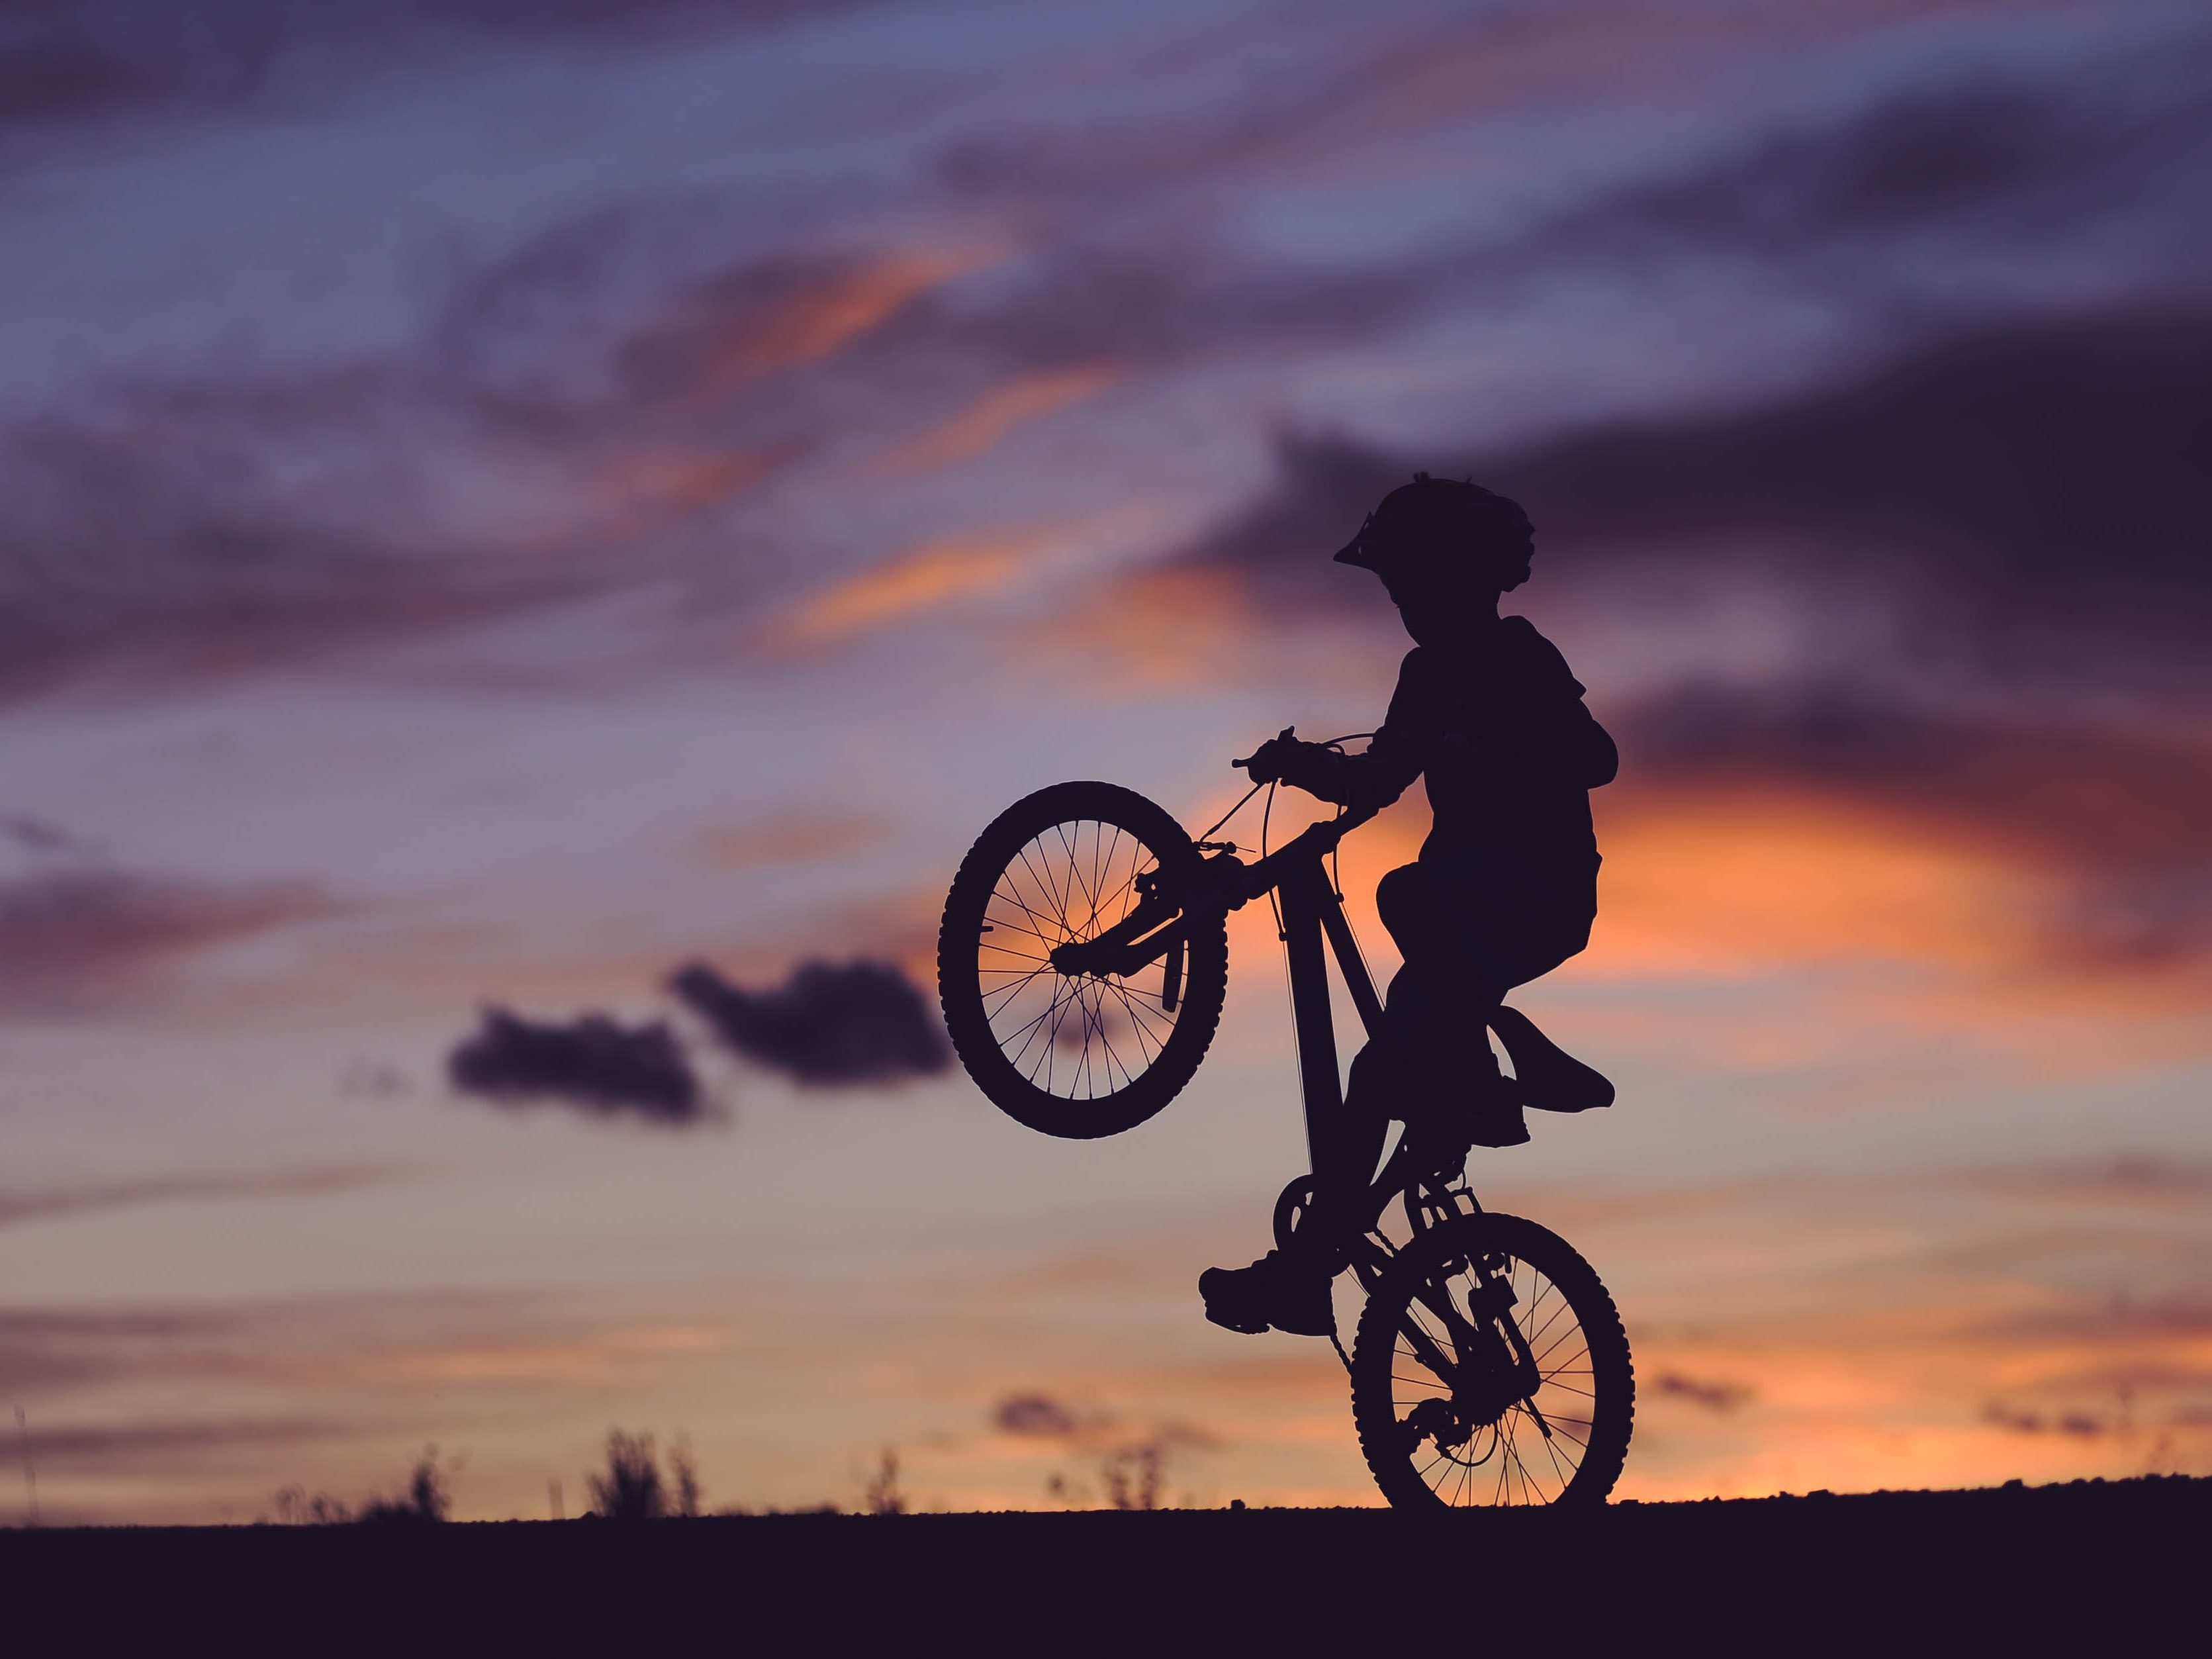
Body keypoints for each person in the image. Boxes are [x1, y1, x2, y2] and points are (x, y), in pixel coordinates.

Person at [1198, 474, 1618, 1338]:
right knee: (1381, 1075)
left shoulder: (1520, 655)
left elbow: (1596, 757)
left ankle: (1486, 1081)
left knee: (1405, 893)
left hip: (1536, 891)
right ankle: (1309, 1272)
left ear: (1462, 578)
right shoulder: (1422, 675)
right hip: (1458, 918)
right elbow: (1378, 779)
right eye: (1395, 593)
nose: (1404, 607)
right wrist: (1302, 765)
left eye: (1413, 587)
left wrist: (1501, 740)